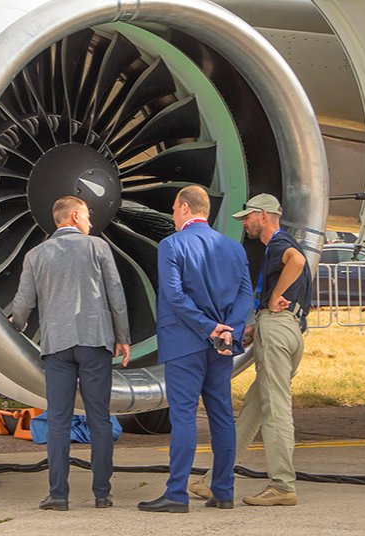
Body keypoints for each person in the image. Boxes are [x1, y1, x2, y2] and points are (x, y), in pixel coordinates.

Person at [9, 196, 131, 511]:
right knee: (99, 419)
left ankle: (58, 495)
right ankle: (102, 494)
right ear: (75, 216)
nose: (90, 222)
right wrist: (123, 337)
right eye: (88, 216)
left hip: (57, 345)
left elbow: (23, 303)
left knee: (60, 420)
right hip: (94, 341)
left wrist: (16, 325)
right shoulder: (98, 248)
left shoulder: (35, 255)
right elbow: (115, 293)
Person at [190, 193, 310, 507]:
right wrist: (257, 327)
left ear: (264, 215)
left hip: (278, 328)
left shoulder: (280, 245)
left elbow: (297, 262)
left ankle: (283, 485)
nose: (245, 223)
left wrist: (274, 300)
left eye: (248, 217)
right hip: (287, 330)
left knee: (275, 409)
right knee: (254, 410)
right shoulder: (280, 246)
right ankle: (214, 480)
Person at [138, 185, 252, 513]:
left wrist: (206, 327)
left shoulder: (172, 245)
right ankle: (224, 490)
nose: (173, 215)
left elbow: (174, 295)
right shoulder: (233, 248)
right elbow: (246, 295)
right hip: (222, 347)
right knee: (221, 416)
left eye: (174, 209)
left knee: (184, 416)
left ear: (186, 209)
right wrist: (228, 330)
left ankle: (176, 494)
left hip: (185, 344)